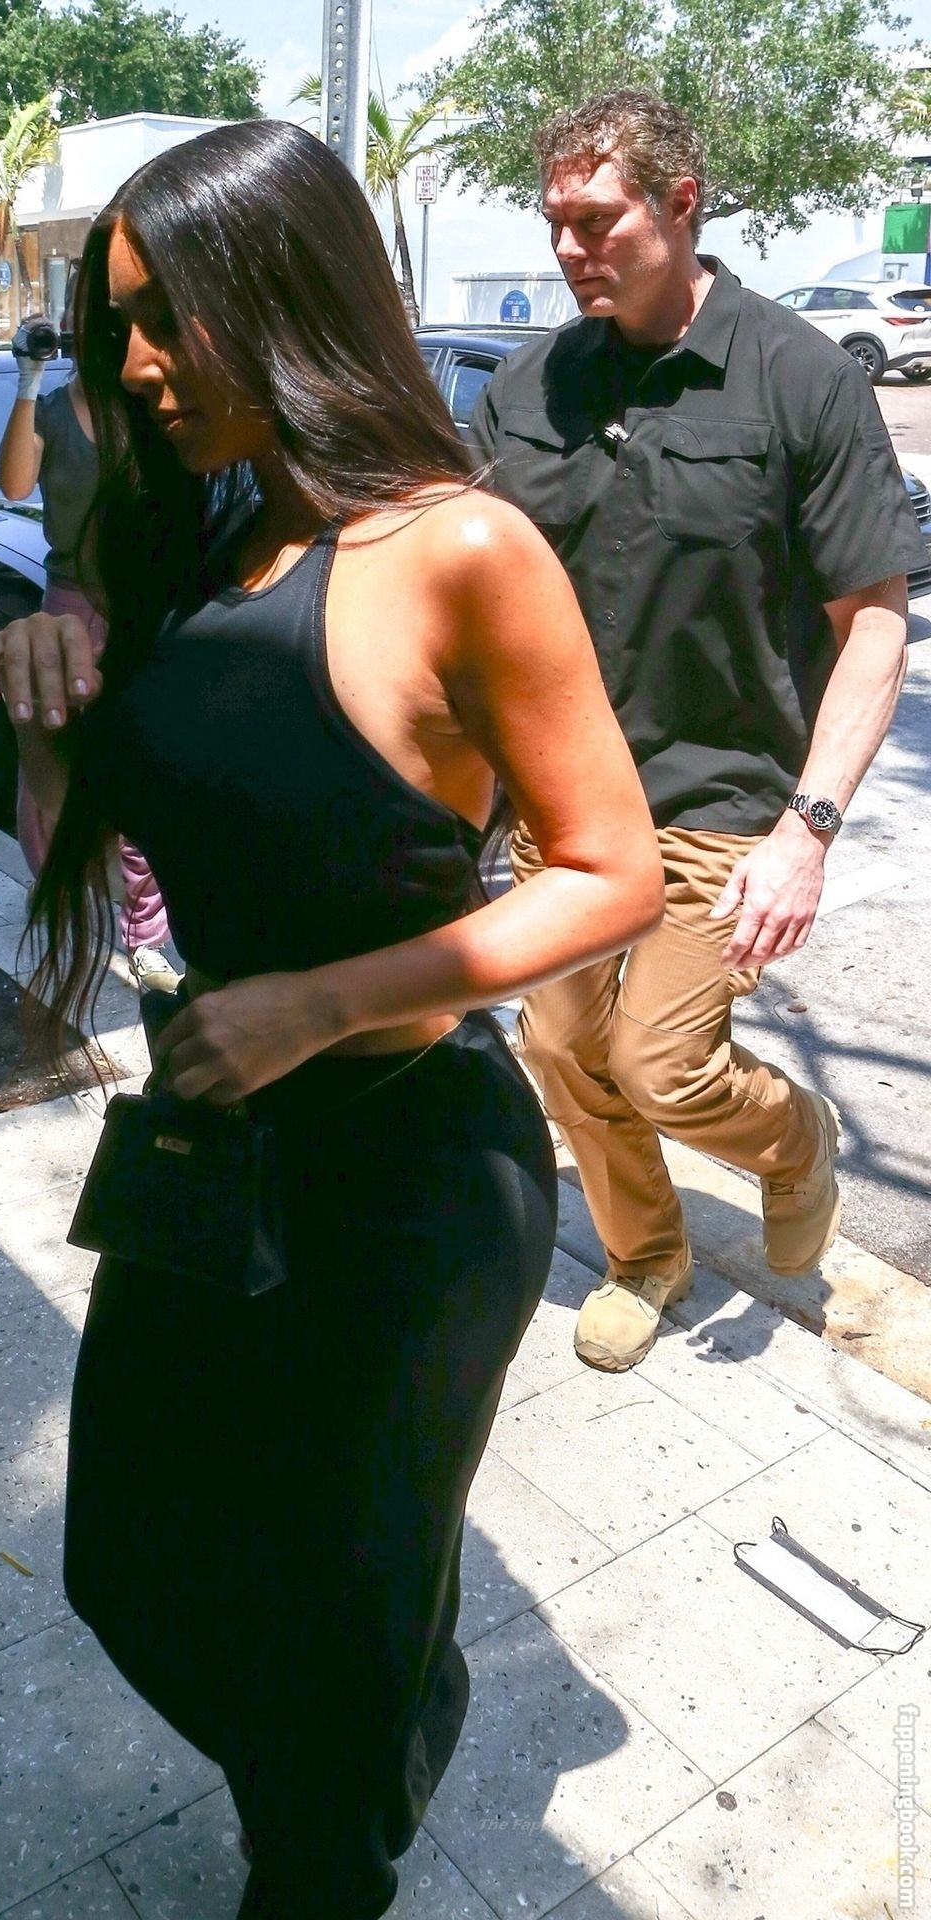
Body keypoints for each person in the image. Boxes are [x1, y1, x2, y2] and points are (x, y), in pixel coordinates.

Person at [0, 120, 662, 1920]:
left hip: (413, 1179)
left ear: (284, 296)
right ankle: (370, 1740)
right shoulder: (199, 533)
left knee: (330, 1634)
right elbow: (87, 834)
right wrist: (48, 691)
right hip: (215, 1151)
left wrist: (322, 1004)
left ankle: (324, 1849)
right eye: (117, 322)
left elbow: (614, 871)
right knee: (128, 1559)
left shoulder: (460, 545)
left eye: (166, 318)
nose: (135, 364)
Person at [471, 89, 923, 1374]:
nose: (568, 248)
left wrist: (805, 834)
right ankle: (645, 1254)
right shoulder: (529, 383)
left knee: (661, 1064)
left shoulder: (800, 379)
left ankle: (794, 1139)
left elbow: (872, 626)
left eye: (594, 220)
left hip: (724, 804)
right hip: (562, 805)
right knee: (562, 1049)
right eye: (554, 222)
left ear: (681, 204)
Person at [0, 312, 178, 994]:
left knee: (140, 770)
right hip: (67, 608)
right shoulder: (48, 409)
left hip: (140, 612)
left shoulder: (146, 410)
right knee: (50, 760)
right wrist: (28, 376)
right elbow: (14, 484)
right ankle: (59, 888)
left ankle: (145, 936)